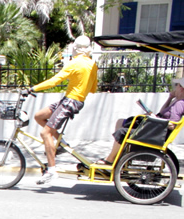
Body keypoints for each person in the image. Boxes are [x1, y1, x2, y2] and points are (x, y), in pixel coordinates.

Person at [27, 35, 99, 185]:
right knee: (39, 116)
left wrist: (33, 88)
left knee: (45, 132)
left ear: (75, 48)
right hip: (73, 100)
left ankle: (52, 171)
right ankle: (60, 142)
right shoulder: (92, 64)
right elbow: (93, 89)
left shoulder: (74, 63)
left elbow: (54, 81)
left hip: (70, 101)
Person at [99, 77, 184, 165]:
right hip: (156, 128)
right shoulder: (177, 101)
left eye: (177, 85)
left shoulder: (180, 104)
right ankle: (117, 155)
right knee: (121, 122)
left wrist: (155, 119)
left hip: (156, 132)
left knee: (122, 132)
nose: (175, 88)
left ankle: (110, 159)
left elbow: (172, 125)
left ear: (181, 88)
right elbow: (162, 112)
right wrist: (170, 98)